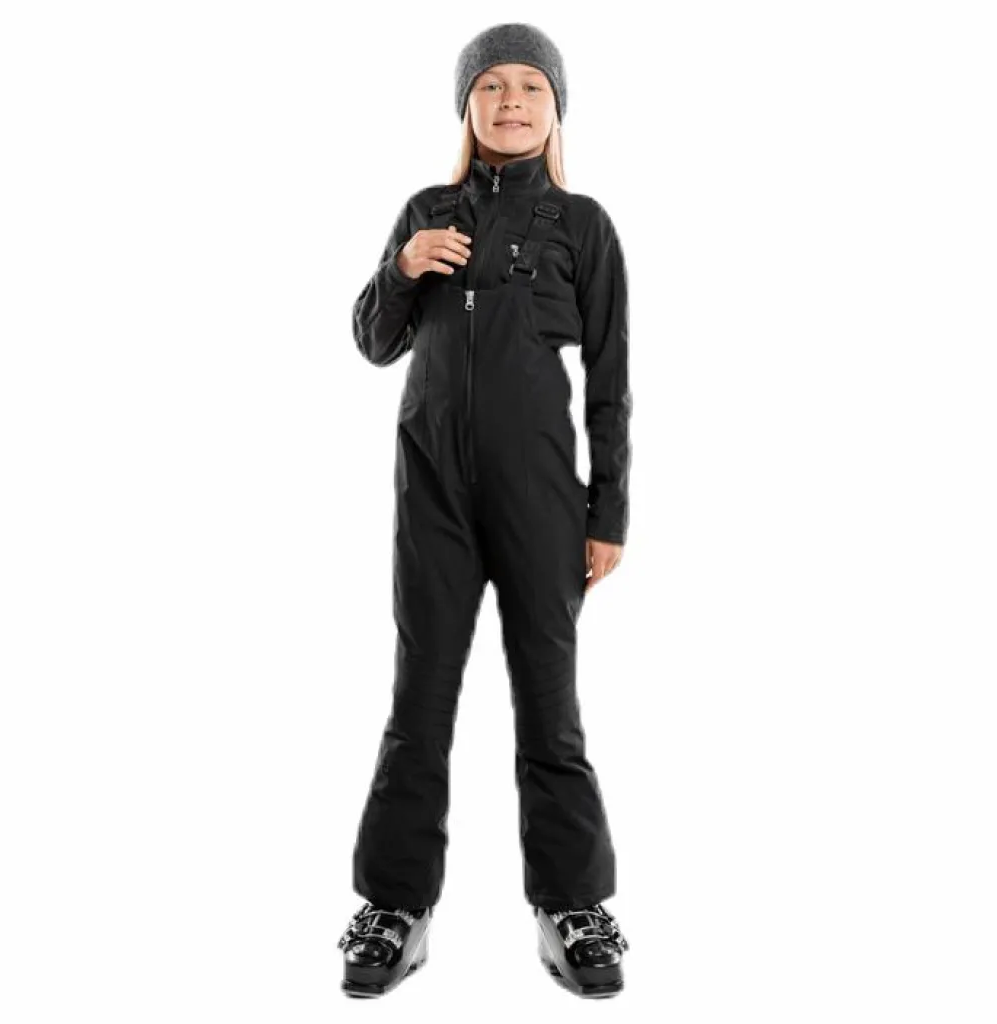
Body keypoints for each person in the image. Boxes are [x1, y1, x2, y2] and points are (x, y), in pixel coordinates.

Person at [337, 23, 633, 999]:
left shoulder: (582, 225)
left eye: (530, 86)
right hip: (432, 492)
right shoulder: (426, 212)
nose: (511, 100)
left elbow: (610, 381)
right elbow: (374, 342)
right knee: (418, 698)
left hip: (541, 496)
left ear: (555, 108)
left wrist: (609, 511)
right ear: (466, 105)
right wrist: (402, 266)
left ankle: (572, 904)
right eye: (492, 85)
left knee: (550, 702)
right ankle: (395, 905)